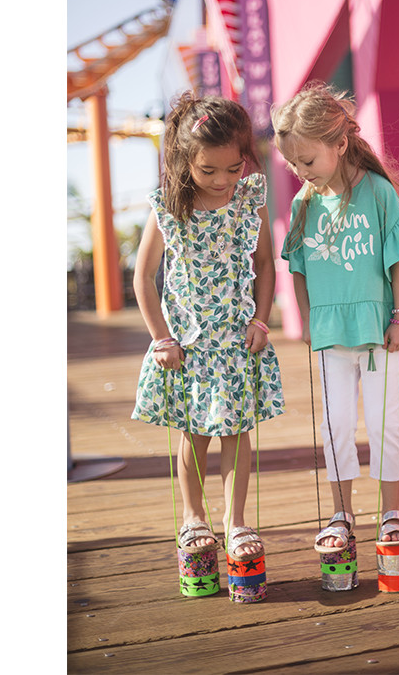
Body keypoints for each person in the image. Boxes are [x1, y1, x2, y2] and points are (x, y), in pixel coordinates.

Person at [131, 91, 285, 561]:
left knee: (237, 432)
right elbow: (143, 276)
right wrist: (161, 336)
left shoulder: (249, 199)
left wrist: (262, 318)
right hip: (188, 345)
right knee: (194, 434)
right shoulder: (169, 208)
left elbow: (264, 262)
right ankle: (193, 517)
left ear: (245, 160)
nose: (222, 180)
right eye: (208, 171)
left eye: (233, 169)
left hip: (238, 341)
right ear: (185, 161)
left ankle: (235, 522)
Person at [272, 81, 399, 554]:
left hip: (380, 330)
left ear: (339, 144)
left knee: (385, 421)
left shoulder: (377, 192)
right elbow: (297, 269)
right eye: (292, 164)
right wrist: (305, 320)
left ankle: (391, 511)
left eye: (308, 161)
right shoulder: (303, 204)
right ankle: (341, 512)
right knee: (335, 423)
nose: (301, 172)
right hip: (330, 333)